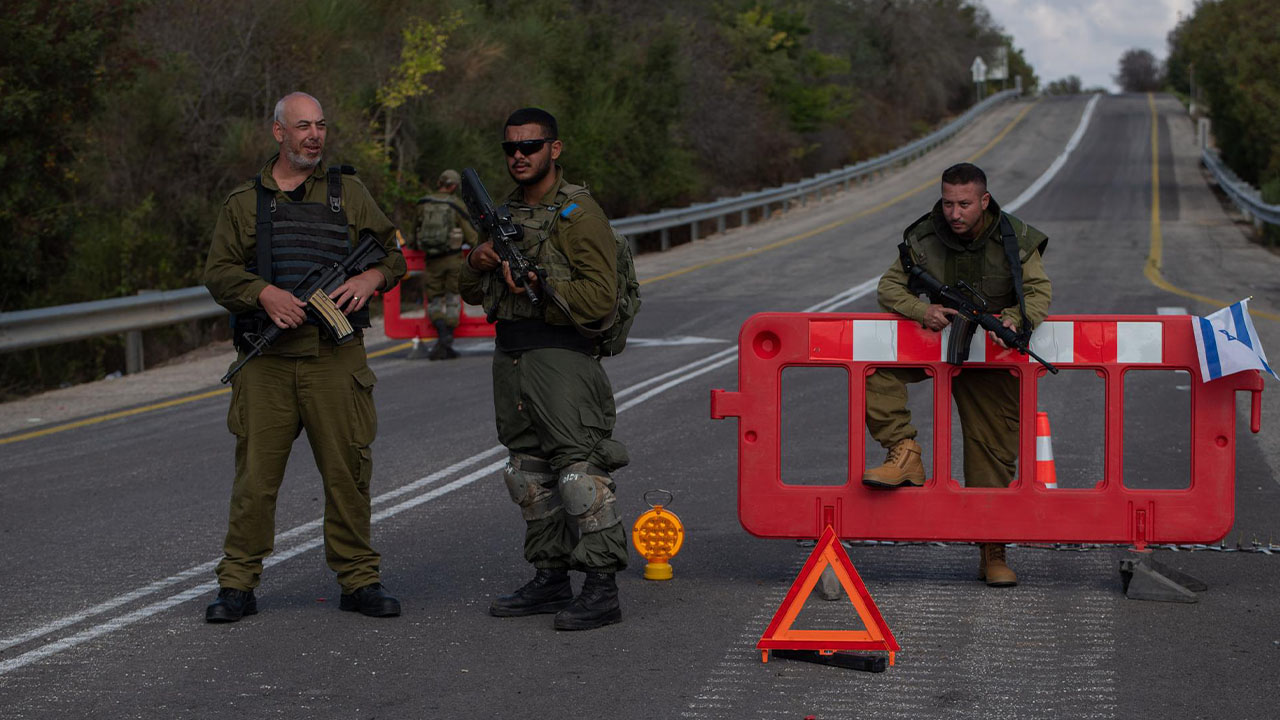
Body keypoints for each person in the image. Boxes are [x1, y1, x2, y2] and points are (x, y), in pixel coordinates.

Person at [202, 92, 407, 622]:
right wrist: (263, 294)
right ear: (279, 132)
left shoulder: (348, 193)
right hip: (266, 363)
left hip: (334, 359)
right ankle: (237, 584)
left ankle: (359, 580)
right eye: (302, 127)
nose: (314, 136)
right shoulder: (244, 202)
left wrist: (370, 278)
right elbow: (218, 273)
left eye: (320, 126)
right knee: (255, 480)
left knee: (347, 474)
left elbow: (393, 253)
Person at [459, 107, 630, 631]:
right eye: (510, 147)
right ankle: (550, 575)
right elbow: (469, 292)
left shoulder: (579, 214)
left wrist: (540, 281)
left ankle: (601, 586)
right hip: (511, 356)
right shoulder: (501, 214)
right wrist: (477, 261)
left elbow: (600, 298)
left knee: (579, 474)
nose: (518, 155)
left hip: (562, 358)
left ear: (554, 149)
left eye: (530, 146)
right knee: (527, 475)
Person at [862, 162, 1051, 587]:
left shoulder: (1015, 238)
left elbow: (1038, 290)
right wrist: (921, 310)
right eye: (948, 203)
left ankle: (992, 549)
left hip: (992, 353)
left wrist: (1017, 319)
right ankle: (904, 452)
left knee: (992, 451)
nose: (954, 213)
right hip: (933, 342)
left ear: (984, 200)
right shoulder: (925, 236)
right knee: (875, 371)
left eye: (964, 204)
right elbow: (889, 287)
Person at [407, 169, 478, 360]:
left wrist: (413, 246)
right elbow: (471, 236)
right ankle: (446, 340)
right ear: (453, 186)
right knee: (453, 297)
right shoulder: (456, 205)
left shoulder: (423, 203)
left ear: (439, 182)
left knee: (434, 299)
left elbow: (412, 234)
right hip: (453, 259)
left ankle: (441, 336)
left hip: (431, 260)